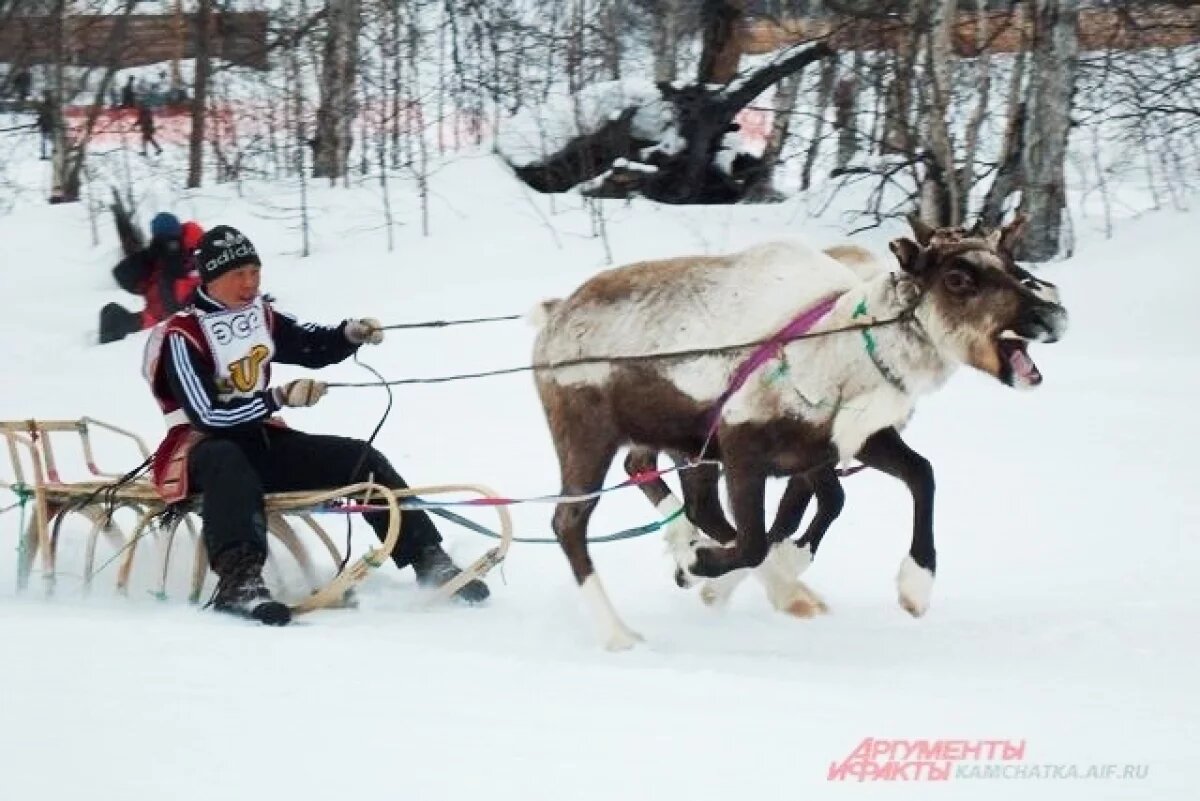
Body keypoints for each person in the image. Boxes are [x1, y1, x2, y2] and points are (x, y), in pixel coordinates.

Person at [141, 225, 490, 625]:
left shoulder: (260, 316)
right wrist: (277, 398)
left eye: (255, 272)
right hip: (201, 449)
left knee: (358, 457)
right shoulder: (183, 335)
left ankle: (428, 558)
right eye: (239, 275)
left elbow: (310, 344)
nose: (250, 283)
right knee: (226, 459)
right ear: (210, 278)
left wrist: (348, 335)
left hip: (259, 439)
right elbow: (207, 415)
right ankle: (240, 582)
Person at [100, 213, 202, 343]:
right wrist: (148, 257)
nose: (170, 245)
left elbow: (185, 294)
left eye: (172, 240)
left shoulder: (198, 252)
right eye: (164, 240)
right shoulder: (158, 256)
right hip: (158, 317)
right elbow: (122, 274)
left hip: (181, 316)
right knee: (111, 315)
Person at [35, 91, 55, 161]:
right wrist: (37, 123)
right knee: (46, 141)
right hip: (46, 126)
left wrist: (37, 123)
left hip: (48, 126)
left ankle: (52, 153)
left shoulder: (50, 105)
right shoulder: (47, 105)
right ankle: (45, 154)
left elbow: (43, 116)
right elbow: (41, 116)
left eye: (46, 96)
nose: (45, 97)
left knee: (50, 140)